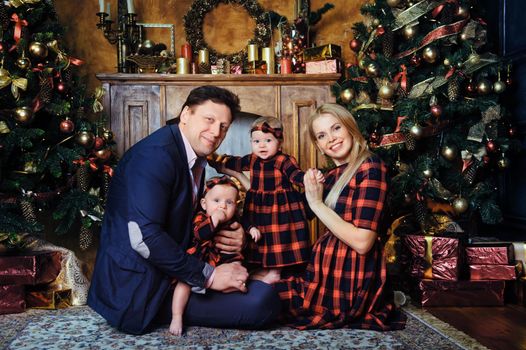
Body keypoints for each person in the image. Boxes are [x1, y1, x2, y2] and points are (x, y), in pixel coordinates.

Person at [88, 86, 280, 335]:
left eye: (223, 126)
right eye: (209, 120)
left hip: (173, 271)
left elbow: (186, 221)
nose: (216, 132)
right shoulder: (154, 157)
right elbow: (144, 238)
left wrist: (234, 236)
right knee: (262, 302)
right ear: (186, 114)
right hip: (138, 288)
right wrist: (209, 276)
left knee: (265, 289)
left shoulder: (191, 155)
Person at [274, 103, 406, 330]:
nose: (331, 138)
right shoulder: (333, 176)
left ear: (350, 128)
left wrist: (316, 202)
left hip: (347, 285)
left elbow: (363, 242)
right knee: (255, 285)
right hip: (323, 276)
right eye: (322, 135)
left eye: (336, 128)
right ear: (319, 146)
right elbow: (292, 219)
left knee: (259, 301)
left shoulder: (370, 167)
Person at [211, 116, 317, 278]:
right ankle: (265, 268)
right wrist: (220, 161)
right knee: (260, 237)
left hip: (280, 209)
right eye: (256, 141)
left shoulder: (283, 160)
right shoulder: (252, 159)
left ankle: (276, 270)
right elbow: (236, 162)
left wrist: (309, 179)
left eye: (268, 140)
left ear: (279, 142)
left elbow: (296, 175)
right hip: (258, 207)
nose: (261, 145)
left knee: (279, 238)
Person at [170, 175, 254, 336]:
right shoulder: (201, 217)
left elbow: (246, 225)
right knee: (184, 284)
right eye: (216, 201)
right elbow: (200, 234)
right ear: (204, 203)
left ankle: (230, 292)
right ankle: (177, 315)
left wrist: (251, 230)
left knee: (240, 272)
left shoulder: (234, 219)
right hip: (200, 259)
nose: (222, 206)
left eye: (229, 202)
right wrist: (214, 219)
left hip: (223, 261)